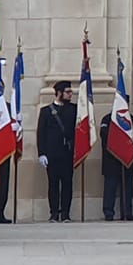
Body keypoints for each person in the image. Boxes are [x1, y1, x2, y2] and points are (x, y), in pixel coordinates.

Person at [37, 79, 78, 222]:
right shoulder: (46, 111)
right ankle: (54, 212)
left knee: (67, 183)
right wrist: (41, 153)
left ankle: (65, 213)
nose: (70, 94)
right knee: (53, 184)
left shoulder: (74, 109)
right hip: (52, 154)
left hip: (67, 153)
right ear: (59, 93)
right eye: (67, 92)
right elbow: (40, 134)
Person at [99, 103, 133, 221]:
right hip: (111, 161)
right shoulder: (107, 119)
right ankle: (108, 212)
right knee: (110, 188)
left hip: (127, 160)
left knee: (127, 189)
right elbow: (104, 135)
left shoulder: (131, 119)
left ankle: (127, 212)